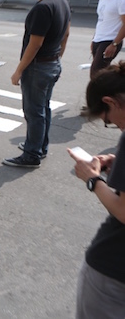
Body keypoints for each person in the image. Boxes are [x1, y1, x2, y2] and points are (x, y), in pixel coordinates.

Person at [70, 62, 125, 317]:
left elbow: (123, 212)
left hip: (113, 270)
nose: (114, 125)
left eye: (108, 121)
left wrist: (92, 180)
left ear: (110, 102)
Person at [3, 0, 70, 168]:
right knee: (43, 110)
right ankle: (40, 147)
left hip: (38, 68)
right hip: (51, 65)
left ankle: (32, 154)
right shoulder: (62, 1)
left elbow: (35, 43)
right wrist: (58, 56)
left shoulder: (43, 7)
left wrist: (19, 70)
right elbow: (66, 34)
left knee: (34, 112)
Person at [90, 0, 125, 80]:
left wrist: (114, 44)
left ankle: (102, 96)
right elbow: (101, 20)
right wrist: (94, 39)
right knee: (102, 73)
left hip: (110, 40)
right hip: (98, 39)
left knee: (96, 74)